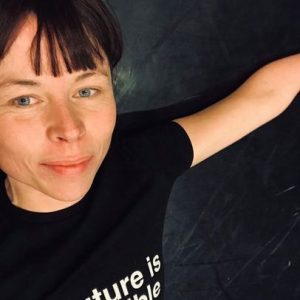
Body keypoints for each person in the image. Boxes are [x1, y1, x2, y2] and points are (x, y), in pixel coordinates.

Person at [0, 1, 298, 300]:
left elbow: (262, 97)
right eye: (24, 100)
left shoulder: (139, 167)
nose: (70, 129)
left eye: (86, 91)